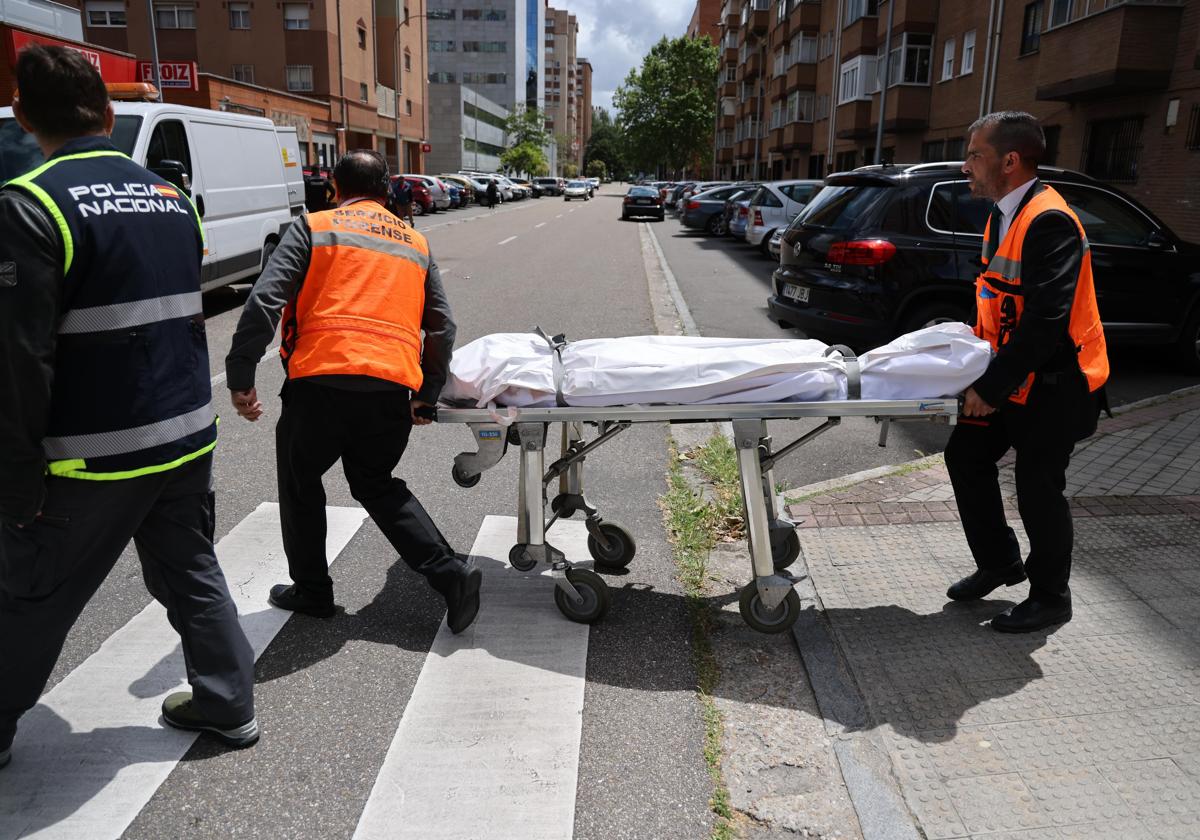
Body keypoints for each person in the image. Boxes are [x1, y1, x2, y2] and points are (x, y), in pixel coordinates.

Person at [0, 46, 258, 769]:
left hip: (88, 457)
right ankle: (228, 703)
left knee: (29, 597)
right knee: (189, 572)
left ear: (22, 117)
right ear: (110, 114)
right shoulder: (171, 199)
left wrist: (16, 483)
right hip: (182, 435)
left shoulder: (30, 204)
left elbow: (19, 364)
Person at [224, 150, 481, 635]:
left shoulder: (315, 226)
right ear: (388, 192)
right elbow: (443, 326)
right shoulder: (416, 243)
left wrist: (241, 374)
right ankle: (450, 575)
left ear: (334, 190)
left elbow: (265, 301)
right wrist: (426, 391)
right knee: (374, 482)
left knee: (301, 484)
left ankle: (313, 592)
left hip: (319, 383)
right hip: (390, 389)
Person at [945, 111, 1109, 633]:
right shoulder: (1001, 215)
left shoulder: (1049, 220)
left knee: (1038, 486)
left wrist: (990, 388)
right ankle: (999, 562)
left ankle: (1051, 597)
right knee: (966, 455)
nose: (966, 164)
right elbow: (997, 303)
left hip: (1060, 383)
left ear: (1009, 161)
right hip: (1014, 376)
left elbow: (1045, 323)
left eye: (974, 154)